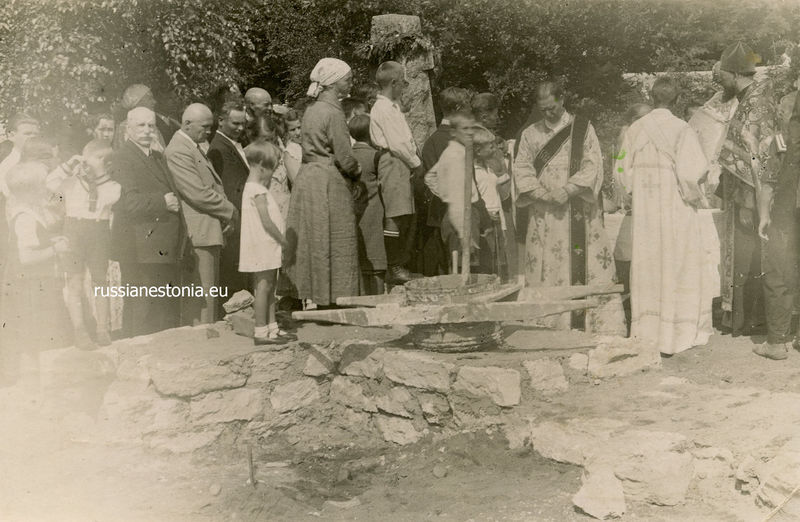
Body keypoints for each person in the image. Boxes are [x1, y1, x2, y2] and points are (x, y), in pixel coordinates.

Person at [513, 81, 625, 334]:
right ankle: (548, 324)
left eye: (552, 108)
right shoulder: (530, 134)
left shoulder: (583, 129)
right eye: (543, 110)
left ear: (562, 99)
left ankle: (592, 326)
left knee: (585, 264)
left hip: (578, 214)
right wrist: (540, 193)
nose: (548, 114)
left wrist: (568, 190)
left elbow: (593, 164)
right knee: (546, 267)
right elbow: (521, 168)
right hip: (544, 213)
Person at [615, 77, 714, 355]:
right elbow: (691, 174)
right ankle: (677, 333)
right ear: (677, 99)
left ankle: (647, 333)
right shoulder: (682, 129)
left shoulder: (635, 129)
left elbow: (621, 172)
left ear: (652, 96)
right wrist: (695, 194)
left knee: (649, 266)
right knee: (677, 264)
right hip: (676, 210)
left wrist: (634, 194)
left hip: (646, 214)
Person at [283, 57, 362, 308]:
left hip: (309, 178)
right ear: (333, 83)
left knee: (314, 237)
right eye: (347, 79)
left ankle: (313, 293)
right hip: (329, 180)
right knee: (337, 238)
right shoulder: (333, 112)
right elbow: (344, 156)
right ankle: (335, 297)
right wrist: (357, 172)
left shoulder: (312, 110)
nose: (351, 83)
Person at [715, 42, 777, 337]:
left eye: (723, 73)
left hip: (750, 196)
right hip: (744, 193)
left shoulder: (755, 104)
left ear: (736, 73)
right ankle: (743, 318)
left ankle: (752, 320)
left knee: (752, 255)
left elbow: (759, 158)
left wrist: (752, 199)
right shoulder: (750, 98)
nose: (719, 78)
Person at [110, 107, 183, 337]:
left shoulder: (155, 155)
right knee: (141, 309)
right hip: (138, 247)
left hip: (157, 246)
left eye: (151, 125)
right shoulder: (123, 157)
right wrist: (163, 202)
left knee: (158, 309)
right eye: (140, 125)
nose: (147, 130)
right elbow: (127, 203)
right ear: (128, 128)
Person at [166, 103, 237, 325]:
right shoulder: (178, 150)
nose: (209, 132)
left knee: (207, 297)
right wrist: (230, 210)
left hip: (208, 230)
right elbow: (197, 193)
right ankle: (201, 347)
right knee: (201, 301)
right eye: (205, 127)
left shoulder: (191, 146)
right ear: (187, 124)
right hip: (199, 234)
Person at [1, 162, 71, 386]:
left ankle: (41, 380)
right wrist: (54, 250)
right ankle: (38, 383)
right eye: (42, 185)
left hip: (35, 285)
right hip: (31, 287)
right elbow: (26, 258)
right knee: (39, 334)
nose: (46, 189)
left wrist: (49, 240)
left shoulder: (28, 212)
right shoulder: (25, 218)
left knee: (39, 334)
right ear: (31, 190)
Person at [47, 139, 120, 349]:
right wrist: (71, 165)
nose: (102, 163)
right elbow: (50, 183)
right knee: (75, 282)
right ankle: (79, 329)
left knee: (100, 280)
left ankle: (102, 329)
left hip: (98, 231)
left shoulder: (112, 184)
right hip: (74, 230)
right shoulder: (70, 183)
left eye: (106, 160)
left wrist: (99, 174)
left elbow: (111, 197)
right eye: (97, 158)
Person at [753, 88, 800, 360]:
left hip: (785, 215)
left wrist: (763, 216)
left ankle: (776, 343)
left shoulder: (780, 141)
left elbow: (768, 184)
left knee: (776, 273)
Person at [370, 61, 422, 285]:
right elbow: (398, 143)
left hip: (401, 161)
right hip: (394, 160)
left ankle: (400, 262)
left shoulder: (392, 107)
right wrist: (416, 164)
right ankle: (394, 266)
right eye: (402, 82)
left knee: (404, 213)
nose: (404, 87)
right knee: (395, 213)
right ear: (393, 83)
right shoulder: (382, 109)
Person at [417, 87, 472, 276]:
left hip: (441, 214)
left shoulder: (432, 141)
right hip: (452, 215)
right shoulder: (458, 138)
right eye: (467, 106)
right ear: (458, 108)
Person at [241, 141, 291, 345]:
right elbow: (266, 221)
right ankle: (261, 331)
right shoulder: (256, 189)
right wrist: (283, 240)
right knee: (263, 287)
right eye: (272, 168)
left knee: (270, 286)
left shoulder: (257, 187)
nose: (273, 174)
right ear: (262, 166)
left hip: (267, 246)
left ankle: (272, 327)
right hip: (263, 245)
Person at [208, 101, 250, 307]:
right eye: (235, 123)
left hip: (240, 219)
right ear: (221, 120)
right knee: (231, 277)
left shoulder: (230, 144)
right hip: (234, 220)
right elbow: (232, 189)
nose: (240, 129)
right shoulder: (219, 148)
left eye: (243, 124)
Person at [349, 114, 387, 295]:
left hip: (355, 212)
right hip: (374, 212)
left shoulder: (347, 156)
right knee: (377, 260)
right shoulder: (375, 156)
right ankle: (379, 299)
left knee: (361, 258)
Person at [472, 125, 509, 275]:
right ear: (478, 151)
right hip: (485, 223)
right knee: (488, 264)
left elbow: (500, 188)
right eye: (490, 147)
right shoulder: (473, 172)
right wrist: (485, 214)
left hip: (497, 220)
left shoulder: (489, 167)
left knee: (501, 263)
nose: (494, 150)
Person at [111, 84, 179, 152]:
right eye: (150, 98)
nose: (154, 102)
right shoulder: (124, 127)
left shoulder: (153, 123)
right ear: (138, 102)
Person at [282, 109, 303, 186]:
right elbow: (297, 183)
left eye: (299, 127)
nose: (297, 132)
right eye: (292, 130)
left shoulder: (307, 143)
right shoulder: (290, 152)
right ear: (287, 131)